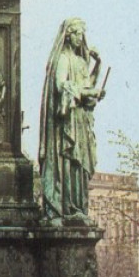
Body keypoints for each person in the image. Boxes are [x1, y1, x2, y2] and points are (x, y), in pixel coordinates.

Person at [39, 18, 106, 222]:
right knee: (70, 162)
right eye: (77, 34)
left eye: (82, 34)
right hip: (69, 121)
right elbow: (61, 86)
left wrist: (98, 65)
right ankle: (68, 207)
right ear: (68, 35)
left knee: (81, 166)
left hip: (81, 120)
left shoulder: (79, 61)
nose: (80, 38)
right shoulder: (63, 59)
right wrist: (88, 93)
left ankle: (78, 208)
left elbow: (87, 84)